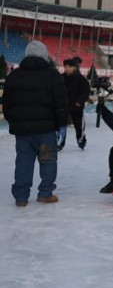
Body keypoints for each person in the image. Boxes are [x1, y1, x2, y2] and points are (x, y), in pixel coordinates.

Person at [3, 41, 67, 206]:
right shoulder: (52, 75)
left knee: (23, 162)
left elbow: (7, 103)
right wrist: (61, 124)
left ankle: (21, 196)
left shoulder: (14, 76)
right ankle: (45, 193)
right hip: (46, 131)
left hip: (23, 132)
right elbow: (60, 102)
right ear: (44, 55)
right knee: (47, 161)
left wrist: (14, 121)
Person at [61, 57, 90, 150]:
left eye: (69, 67)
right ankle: (60, 142)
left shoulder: (81, 79)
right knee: (61, 126)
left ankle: (81, 140)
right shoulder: (61, 78)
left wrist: (79, 102)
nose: (67, 69)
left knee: (78, 125)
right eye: (65, 67)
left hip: (76, 106)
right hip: (64, 106)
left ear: (74, 67)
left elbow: (85, 91)